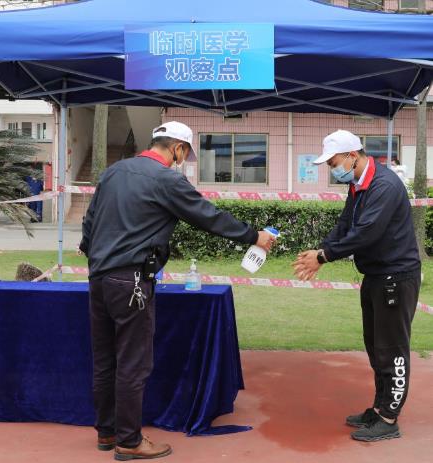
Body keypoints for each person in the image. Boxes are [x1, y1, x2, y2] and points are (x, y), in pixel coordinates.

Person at [79, 121, 275, 460]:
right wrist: (253, 235)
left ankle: (107, 432)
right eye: (185, 154)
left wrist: (93, 251)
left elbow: (90, 221)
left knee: (105, 360)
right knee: (132, 363)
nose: (182, 160)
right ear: (178, 148)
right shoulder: (166, 179)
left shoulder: (114, 172)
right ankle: (129, 442)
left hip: (99, 278)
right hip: (132, 280)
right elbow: (207, 216)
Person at [293, 130, 421, 442]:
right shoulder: (358, 184)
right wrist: (322, 250)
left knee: (392, 349)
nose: (331, 169)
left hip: (395, 276)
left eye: (333, 162)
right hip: (376, 275)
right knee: (376, 346)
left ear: (352, 156)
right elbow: (345, 224)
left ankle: (389, 419)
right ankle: (379, 408)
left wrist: (323, 257)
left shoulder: (384, 185)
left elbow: (366, 233)